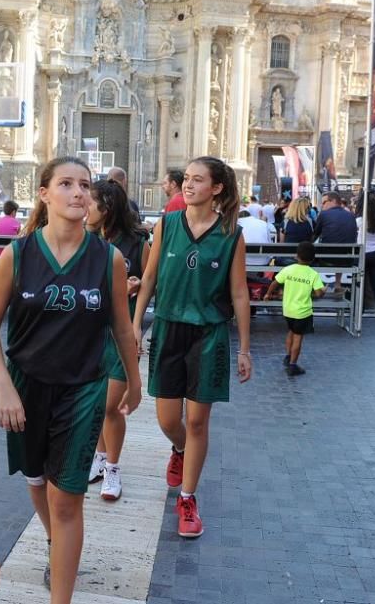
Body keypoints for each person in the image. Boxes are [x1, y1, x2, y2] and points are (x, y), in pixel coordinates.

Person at [0, 157, 142, 598]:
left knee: (67, 498)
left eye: (85, 186)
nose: (78, 193)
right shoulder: (17, 254)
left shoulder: (107, 259)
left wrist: (134, 378)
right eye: (67, 184)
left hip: (83, 388)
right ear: (44, 193)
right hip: (27, 384)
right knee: (37, 482)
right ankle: (57, 543)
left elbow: (121, 326)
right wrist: (3, 385)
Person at [132, 156, 252, 539]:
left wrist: (245, 348)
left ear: (216, 188)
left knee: (199, 420)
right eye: (186, 178)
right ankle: (180, 449)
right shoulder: (166, 225)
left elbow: (238, 293)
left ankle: (188, 497)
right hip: (168, 328)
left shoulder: (231, 233)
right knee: (168, 420)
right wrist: (135, 325)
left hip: (209, 333)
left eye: (197, 180)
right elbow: (149, 277)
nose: (188, 184)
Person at [85, 178, 151, 502]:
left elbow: (152, 283)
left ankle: (113, 467)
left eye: (90, 199)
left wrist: (136, 297)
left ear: (106, 206)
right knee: (97, 403)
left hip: (122, 333)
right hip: (90, 332)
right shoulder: (83, 238)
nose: (83, 204)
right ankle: (99, 456)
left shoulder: (137, 241)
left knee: (111, 406)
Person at [262, 241, 325, 375]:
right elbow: (319, 293)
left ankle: (287, 355)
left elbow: (275, 282)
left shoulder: (288, 269)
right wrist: (322, 290)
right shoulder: (313, 274)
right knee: (298, 337)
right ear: (313, 258)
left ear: (296, 256)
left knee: (290, 331)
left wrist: (268, 294)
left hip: (288, 309)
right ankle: (293, 365)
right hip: (302, 312)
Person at [314, 191, 357, 291]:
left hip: (327, 259)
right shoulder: (351, 215)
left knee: (306, 255)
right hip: (347, 259)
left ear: (333, 201)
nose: (322, 205)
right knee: (340, 248)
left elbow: (315, 234)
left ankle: (315, 287)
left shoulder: (324, 214)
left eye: (324, 202)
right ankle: (337, 284)